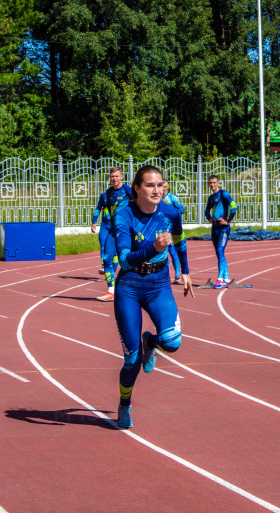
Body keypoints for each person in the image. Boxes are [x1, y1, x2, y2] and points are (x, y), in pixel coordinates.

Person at [112, 165, 194, 428]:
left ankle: (151, 343)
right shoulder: (124, 214)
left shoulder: (171, 213)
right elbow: (124, 261)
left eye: (160, 185)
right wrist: (153, 248)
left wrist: (185, 271)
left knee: (172, 342)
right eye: (150, 185)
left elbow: (180, 240)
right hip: (130, 288)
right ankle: (125, 403)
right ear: (137, 188)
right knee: (132, 360)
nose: (156, 190)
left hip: (159, 284)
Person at [94, 167, 133, 302]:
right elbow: (106, 208)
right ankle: (111, 291)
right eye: (112, 176)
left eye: (117, 176)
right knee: (106, 259)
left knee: (128, 259)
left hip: (126, 231)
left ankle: (133, 290)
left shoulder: (128, 190)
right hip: (112, 230)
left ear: (122, 177)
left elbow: (138, 203)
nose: (114, 179)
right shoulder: (108, 193)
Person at [204, 175, 237, 288]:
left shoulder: (223, 194)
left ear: (218, 183)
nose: (212, 185)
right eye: (210, 183)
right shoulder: (211, 198)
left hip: (223, 229)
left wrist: (227, 221)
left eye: (214, 182)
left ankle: (220, 278)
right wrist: (210, 219)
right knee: (219, 253)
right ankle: (226, 278)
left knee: (220, 250)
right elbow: (206, 210)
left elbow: (234, 206)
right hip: (215, 228)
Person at [161, 179, 186, 284]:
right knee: (163, 253)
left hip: (170, 229)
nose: (164, 188)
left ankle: (177, 275)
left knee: (172, 251)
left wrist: (171, 212)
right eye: (162, 186)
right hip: (160, 229)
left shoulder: (172, 198)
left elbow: (182, 210)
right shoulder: (156, 198)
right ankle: (166, 276)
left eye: (165, 186)